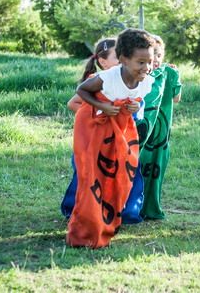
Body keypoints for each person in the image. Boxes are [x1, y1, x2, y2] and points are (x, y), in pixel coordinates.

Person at [66, 28, 155, 248]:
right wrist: (103, 106)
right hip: (92, 126)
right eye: (140, 62)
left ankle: (109, 216)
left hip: (120, 128)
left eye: (149, 62)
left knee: (119, 172)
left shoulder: (146, 81)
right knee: (92, 174)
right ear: (124, 59)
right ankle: (85, 225)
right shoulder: (108, 77)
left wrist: (135, 105)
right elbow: (82, 90)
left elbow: (136, 101)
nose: (146, 67)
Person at [61, 38, 118, 218]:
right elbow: (73, 103)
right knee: (83, 172)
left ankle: (96, 208)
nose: (123, 60)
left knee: (101, 173)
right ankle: (72, 208)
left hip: (106, 138)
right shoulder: (96, 80)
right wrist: (97, 115)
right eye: (118, 57)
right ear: (103, 61)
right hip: (88, 137)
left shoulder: (118, 80)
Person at [136, 35, 182, 219]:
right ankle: (131, 208)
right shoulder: (135, 74)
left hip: (159, 136)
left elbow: (176, 98)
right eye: (152, 54)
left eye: (159, 55)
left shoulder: (167, 74)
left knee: (154, 172)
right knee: (135, 170)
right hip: (139, 133)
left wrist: (175, 77)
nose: (155, 59)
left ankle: (150, 208)